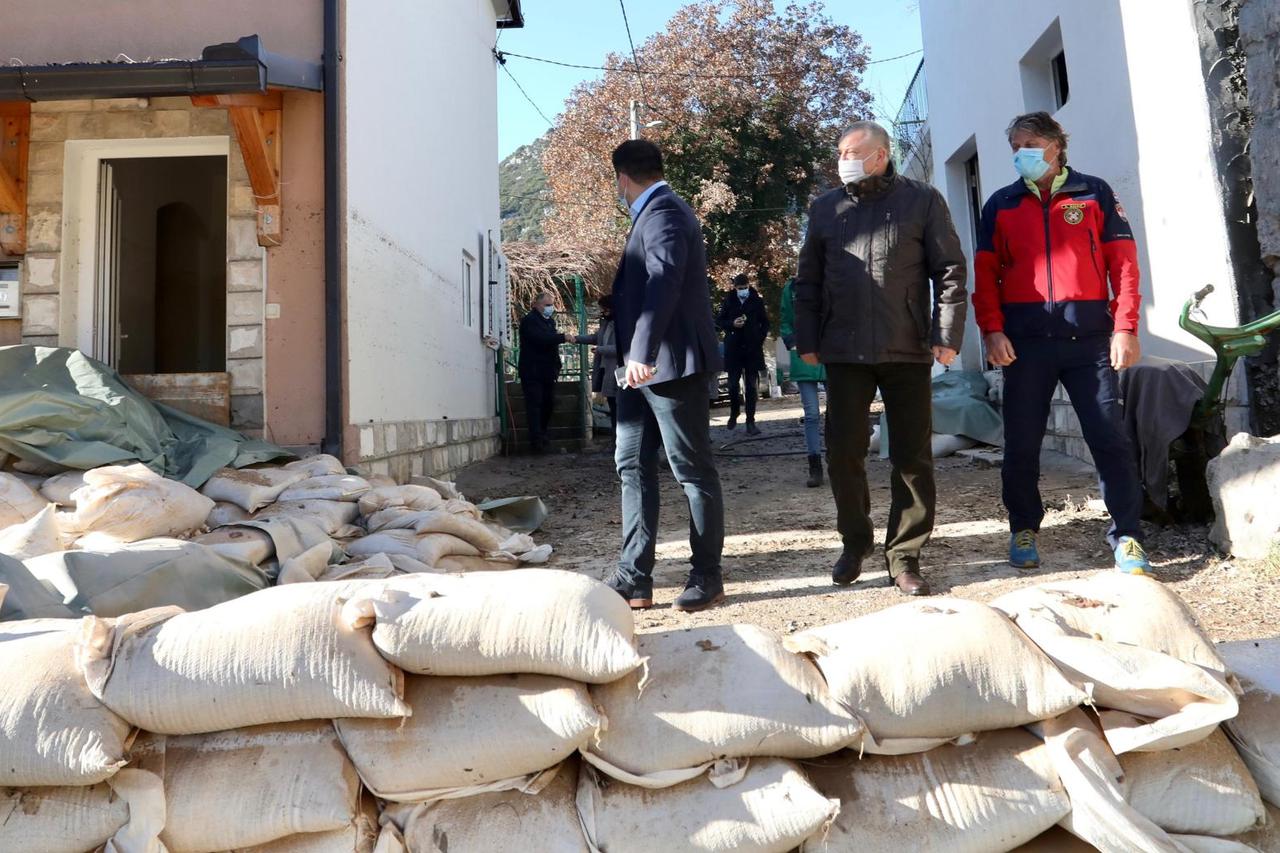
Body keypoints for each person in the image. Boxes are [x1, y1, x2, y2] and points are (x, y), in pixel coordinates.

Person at [794, 120, 968, 596]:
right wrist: (806, 337)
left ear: (881, 155)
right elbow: (807, 280)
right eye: (840, 152)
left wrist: (946, 333)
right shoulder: (826, 209)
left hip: (907, 346)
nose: (843, 160)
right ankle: (855, 542)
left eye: (852, 151)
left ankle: (905, 555)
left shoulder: (922, 200)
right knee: (843, 453)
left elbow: (949, 270)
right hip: (844, 351)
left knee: (912, 457)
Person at [975, 111, 1150, 575]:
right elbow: (985, 276)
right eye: (1014, 146)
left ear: (1056, 145)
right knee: (1021, 443)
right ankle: (1024, 529)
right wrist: (991, 329)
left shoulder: (1094, 193)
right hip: (1024, 344)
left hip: (1090, 341)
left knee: (1108, 438)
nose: (1020, 153)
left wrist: (1125, 327)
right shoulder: (1000, 204)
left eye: (1029, 143)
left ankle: (1128, 536)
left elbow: (1125, 267)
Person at [606, 139, 725, 613]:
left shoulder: (665, 213)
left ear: (622, 178)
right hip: (641, 372)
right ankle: (634, 578)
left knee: (692, 471)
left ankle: (707, 576)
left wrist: (643, 350)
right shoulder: (652, 214)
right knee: (630, 465)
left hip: (669, 366)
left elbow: (664, 280)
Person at [517, 292, 581, 454]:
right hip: (532, 371)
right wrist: (562, 337)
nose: (550, 308)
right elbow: (541, 339)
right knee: (535, 404)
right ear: (536, 305)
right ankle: (536, 441)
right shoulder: (530, 321)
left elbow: (550, 342)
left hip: (547, 371)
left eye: (551, 305)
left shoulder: (549, 322)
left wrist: (556, 366)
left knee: (548, 403)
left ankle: (542, 434)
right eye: (546, 305)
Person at [779, 277, 826, 487]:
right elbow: (785, 320)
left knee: (838, 414)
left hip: (831, 356)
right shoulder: (791, 288)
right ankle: (815, 465)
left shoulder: (833, 279)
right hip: (804, 355)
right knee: (812, 414)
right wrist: (792, 342)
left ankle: (838, 460)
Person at [716, 273, 770, 434]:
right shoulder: (729, 300)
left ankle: (750, 421)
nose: (743, 291)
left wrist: (759, 337)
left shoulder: (756, 300)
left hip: (752, 348)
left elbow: (765, 322)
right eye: (740, 288)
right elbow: (719, 321)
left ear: (749, 285)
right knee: (732, 385)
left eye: (745, 287)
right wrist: (732, 324)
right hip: (734, 348)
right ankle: (734, 411)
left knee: (751, 387)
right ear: (735, 288)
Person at [580, 294, 620, 436]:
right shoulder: (606, 323)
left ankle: (619, 441)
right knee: (613, 405)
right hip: (606, 369)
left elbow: (622, 348)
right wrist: (576, 339)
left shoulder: (622, 323)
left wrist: (601, 349)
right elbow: (596, 338)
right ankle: (616, 440)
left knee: (618, 408)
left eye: (604, 308)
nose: (602, 311)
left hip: (617, 371)